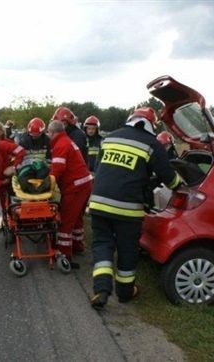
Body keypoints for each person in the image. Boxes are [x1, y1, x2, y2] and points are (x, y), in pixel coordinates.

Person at [89, 107, 183, 310]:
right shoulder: (152, 144)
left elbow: (99, 168)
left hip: (98, 202)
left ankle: (102, 290)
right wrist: (182, 187)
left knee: (102, 245)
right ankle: (124, 293)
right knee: (127, 249)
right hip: (127, 209)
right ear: (151, 124)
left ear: (130, 119)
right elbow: (168, 176)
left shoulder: (109, 138)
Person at [48, 120, 93, 268]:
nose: (48, 135)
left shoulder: (60, 145)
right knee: (77, 218)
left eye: (49, 133)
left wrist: (47, 186)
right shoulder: (67, 141)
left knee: (66, 220)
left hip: (75, 187)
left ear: (53, 132)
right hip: (84, 184)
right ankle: (78, 246)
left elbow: (58, 170)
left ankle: (64, 254)